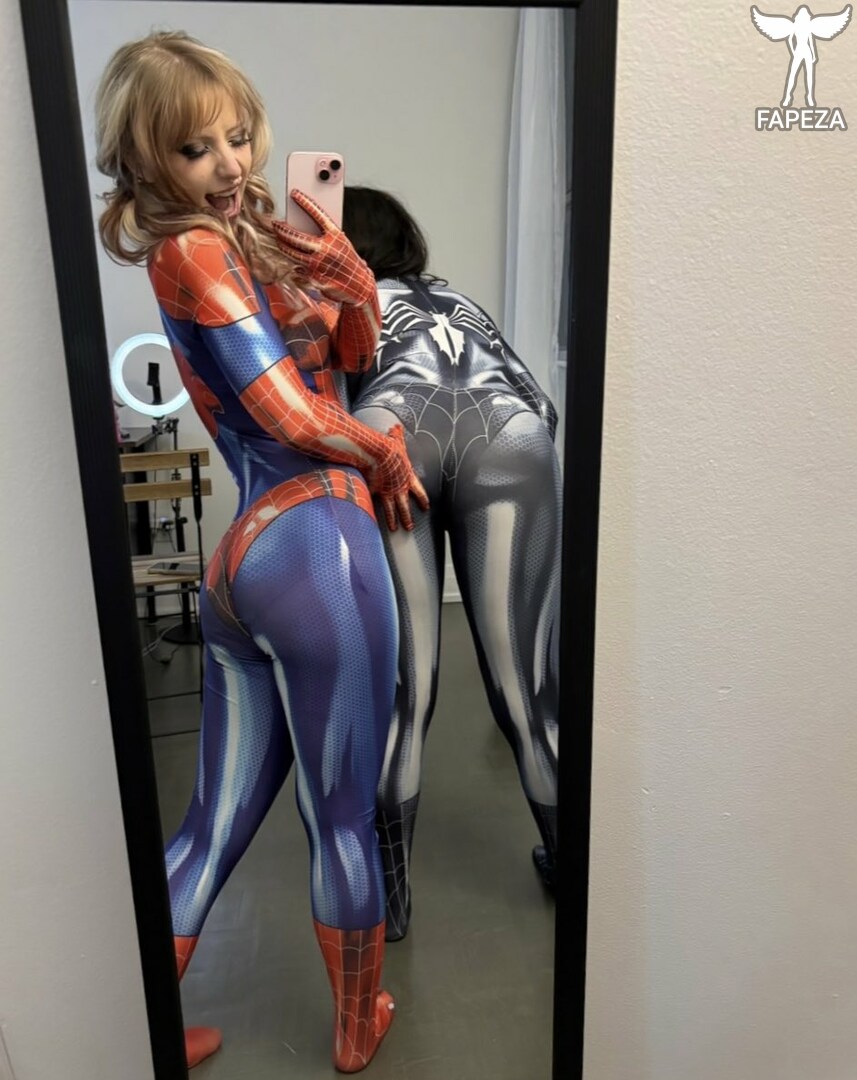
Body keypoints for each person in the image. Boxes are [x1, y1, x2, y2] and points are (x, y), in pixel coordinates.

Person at [94, 33, 427, 1073]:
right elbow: (288, 409)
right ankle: (357, 1023)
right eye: (196, 149)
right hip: (316, 542)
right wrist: (381, 451)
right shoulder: (195, 251)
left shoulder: (246, 243)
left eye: (237, 137)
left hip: (247, 558)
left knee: (210, 827)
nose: (230, 164)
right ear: (145, 163)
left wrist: (353, 282)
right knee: (342, 820)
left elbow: (349, 359)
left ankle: (143, 1032)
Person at [341, 186, 560, 942]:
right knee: (526, 691)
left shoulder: (342, 304)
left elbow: (313, 411)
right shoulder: (458, 300)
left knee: (406, 692)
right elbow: (542, 404)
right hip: (507, 428)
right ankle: (569, 864)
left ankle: (392, 906)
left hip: (393, 423)